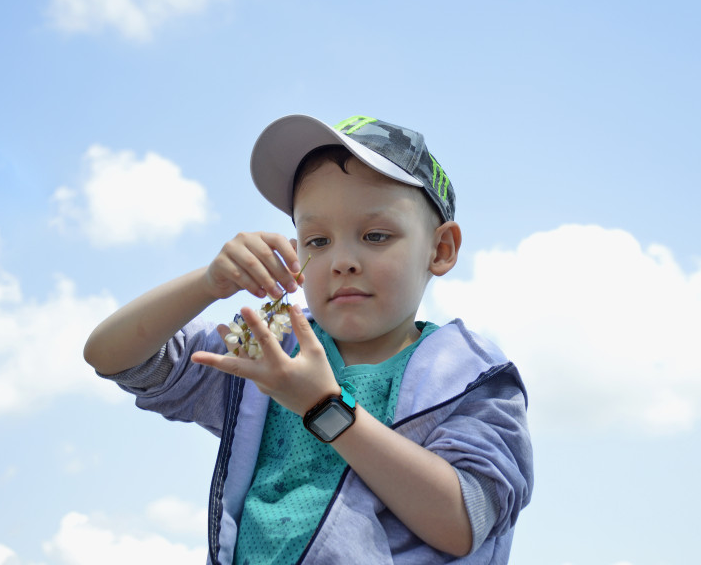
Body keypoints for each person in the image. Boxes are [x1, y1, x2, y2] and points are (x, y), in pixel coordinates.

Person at [84, 114, 534, 564]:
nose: (342, 261)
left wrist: (323, 407)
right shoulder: (268, 350)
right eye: (317, 240)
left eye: (376, 235)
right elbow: (112, 357)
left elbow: (463, 522)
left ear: (441, 250)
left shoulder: (471, 375)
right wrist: (207, 284)